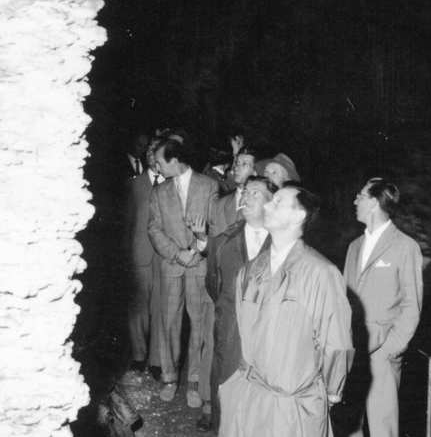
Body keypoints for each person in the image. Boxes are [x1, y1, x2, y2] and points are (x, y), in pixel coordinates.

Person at [218, 186, 354, 437]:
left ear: (298, 216)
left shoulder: (321, 273)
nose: (267, 205)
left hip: (293, 411)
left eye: (277, 202)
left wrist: (332, 392)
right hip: (249, 400)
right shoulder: (250, 270)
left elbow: (337, 343)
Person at [194, 176, 277, 432]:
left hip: (269, 339)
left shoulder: (282, 244)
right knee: (226, 396)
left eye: (255, 193)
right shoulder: (222, 242)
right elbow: (214, 286)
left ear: (271, 203)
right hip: (230, 334)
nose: (246, 197)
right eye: (246, 192)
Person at [343, 178, 423, 437]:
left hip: (382, 353)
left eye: (360, 195)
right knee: (349, 425)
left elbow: (412, 305)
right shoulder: (354, 247)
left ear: (375, 202)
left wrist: (391, 349)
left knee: (382, 427)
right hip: (351, 350)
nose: (355, 201)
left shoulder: (405, 246)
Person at [147, 137, 219, 409]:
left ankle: (194, 381)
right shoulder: (159, 191)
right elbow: (154, 229)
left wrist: (197, 250)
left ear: (175, 160)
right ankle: (169, 378)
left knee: (199, 324)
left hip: (199, 265)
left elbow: (214, 225)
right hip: (172, 265)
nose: (157, 167)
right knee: (169, 324)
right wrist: (178, 254)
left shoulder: (209, 185)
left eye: (160, 162)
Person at [125, 135, 164, 377]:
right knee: (138, 309)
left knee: (161, 309)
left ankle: (157, 360)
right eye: (150, 152)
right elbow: (127, 223)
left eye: (157, 152)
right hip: (139, 255)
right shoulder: (133, 185)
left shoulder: (173, 184)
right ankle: (138, 356)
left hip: (165, 257)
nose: (153, 157)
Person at [210, 147, 258, 237]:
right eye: (237, 163)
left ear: (255, 172)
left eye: (244, 164)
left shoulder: (264, 203)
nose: (237, 168)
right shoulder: (220, 204)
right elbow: (214, 241)